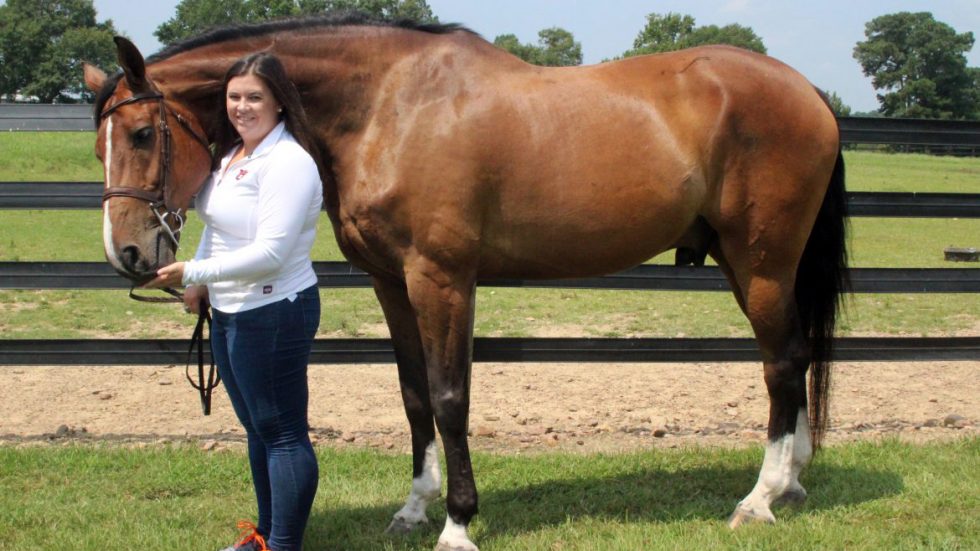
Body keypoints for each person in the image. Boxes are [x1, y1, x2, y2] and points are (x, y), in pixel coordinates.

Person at [145, 52, 324, 551]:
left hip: (274, 310)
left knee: (282, 433)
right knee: (258, 429)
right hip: (231, 310)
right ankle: (265, 537)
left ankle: (283, 545)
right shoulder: (231, 156)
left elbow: (271, 254)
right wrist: (202, 280)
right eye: (234, 97)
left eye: (254, 97)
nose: (242, 107)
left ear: (279, 103)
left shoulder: (288, 162)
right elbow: (217, 228)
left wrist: (192, 271)